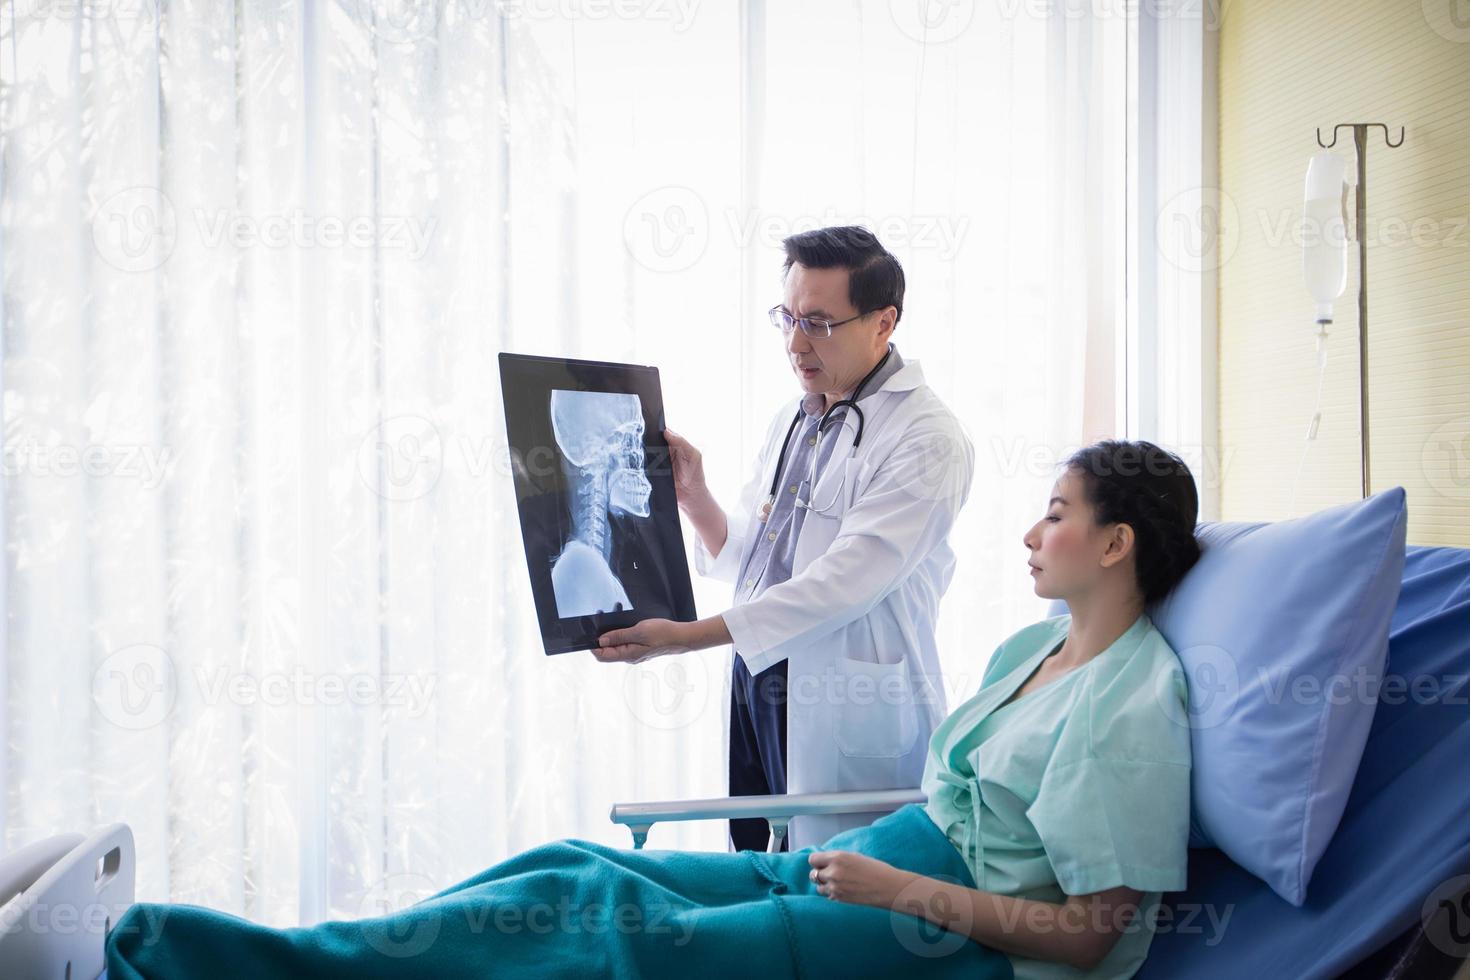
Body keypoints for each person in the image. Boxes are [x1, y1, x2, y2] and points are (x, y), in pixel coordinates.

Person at [107, 440, 1200, 980]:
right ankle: (298, 955)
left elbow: (1094, 933)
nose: (1028, 532)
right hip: (875, 858)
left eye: (1055, 514)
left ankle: (238, 969)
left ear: (1115, 544)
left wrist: (896, 884)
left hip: (932, 925)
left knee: (612, 932)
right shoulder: (1034, 648)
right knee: (573, 865)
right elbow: (771, 563)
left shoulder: (1127, 707)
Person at [594, 226, 976, 851]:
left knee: (830, 885)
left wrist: (687, 639)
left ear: (884, 323)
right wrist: (694, 498)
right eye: (788, 318)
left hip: (844, 689)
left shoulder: (926, 438)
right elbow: (760, 554)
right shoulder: (798, 414)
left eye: (820, 323)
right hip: (759, 674)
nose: (797, 344)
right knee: (754, 859)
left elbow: (843, 583)